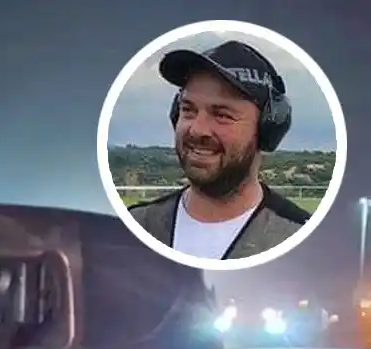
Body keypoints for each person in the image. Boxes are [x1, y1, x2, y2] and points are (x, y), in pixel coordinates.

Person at [129, 40, 311, 261]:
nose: (197, 129)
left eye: (222, 115)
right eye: (188, 110)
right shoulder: (134, 226)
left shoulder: (302, 241)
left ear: (267, 129)